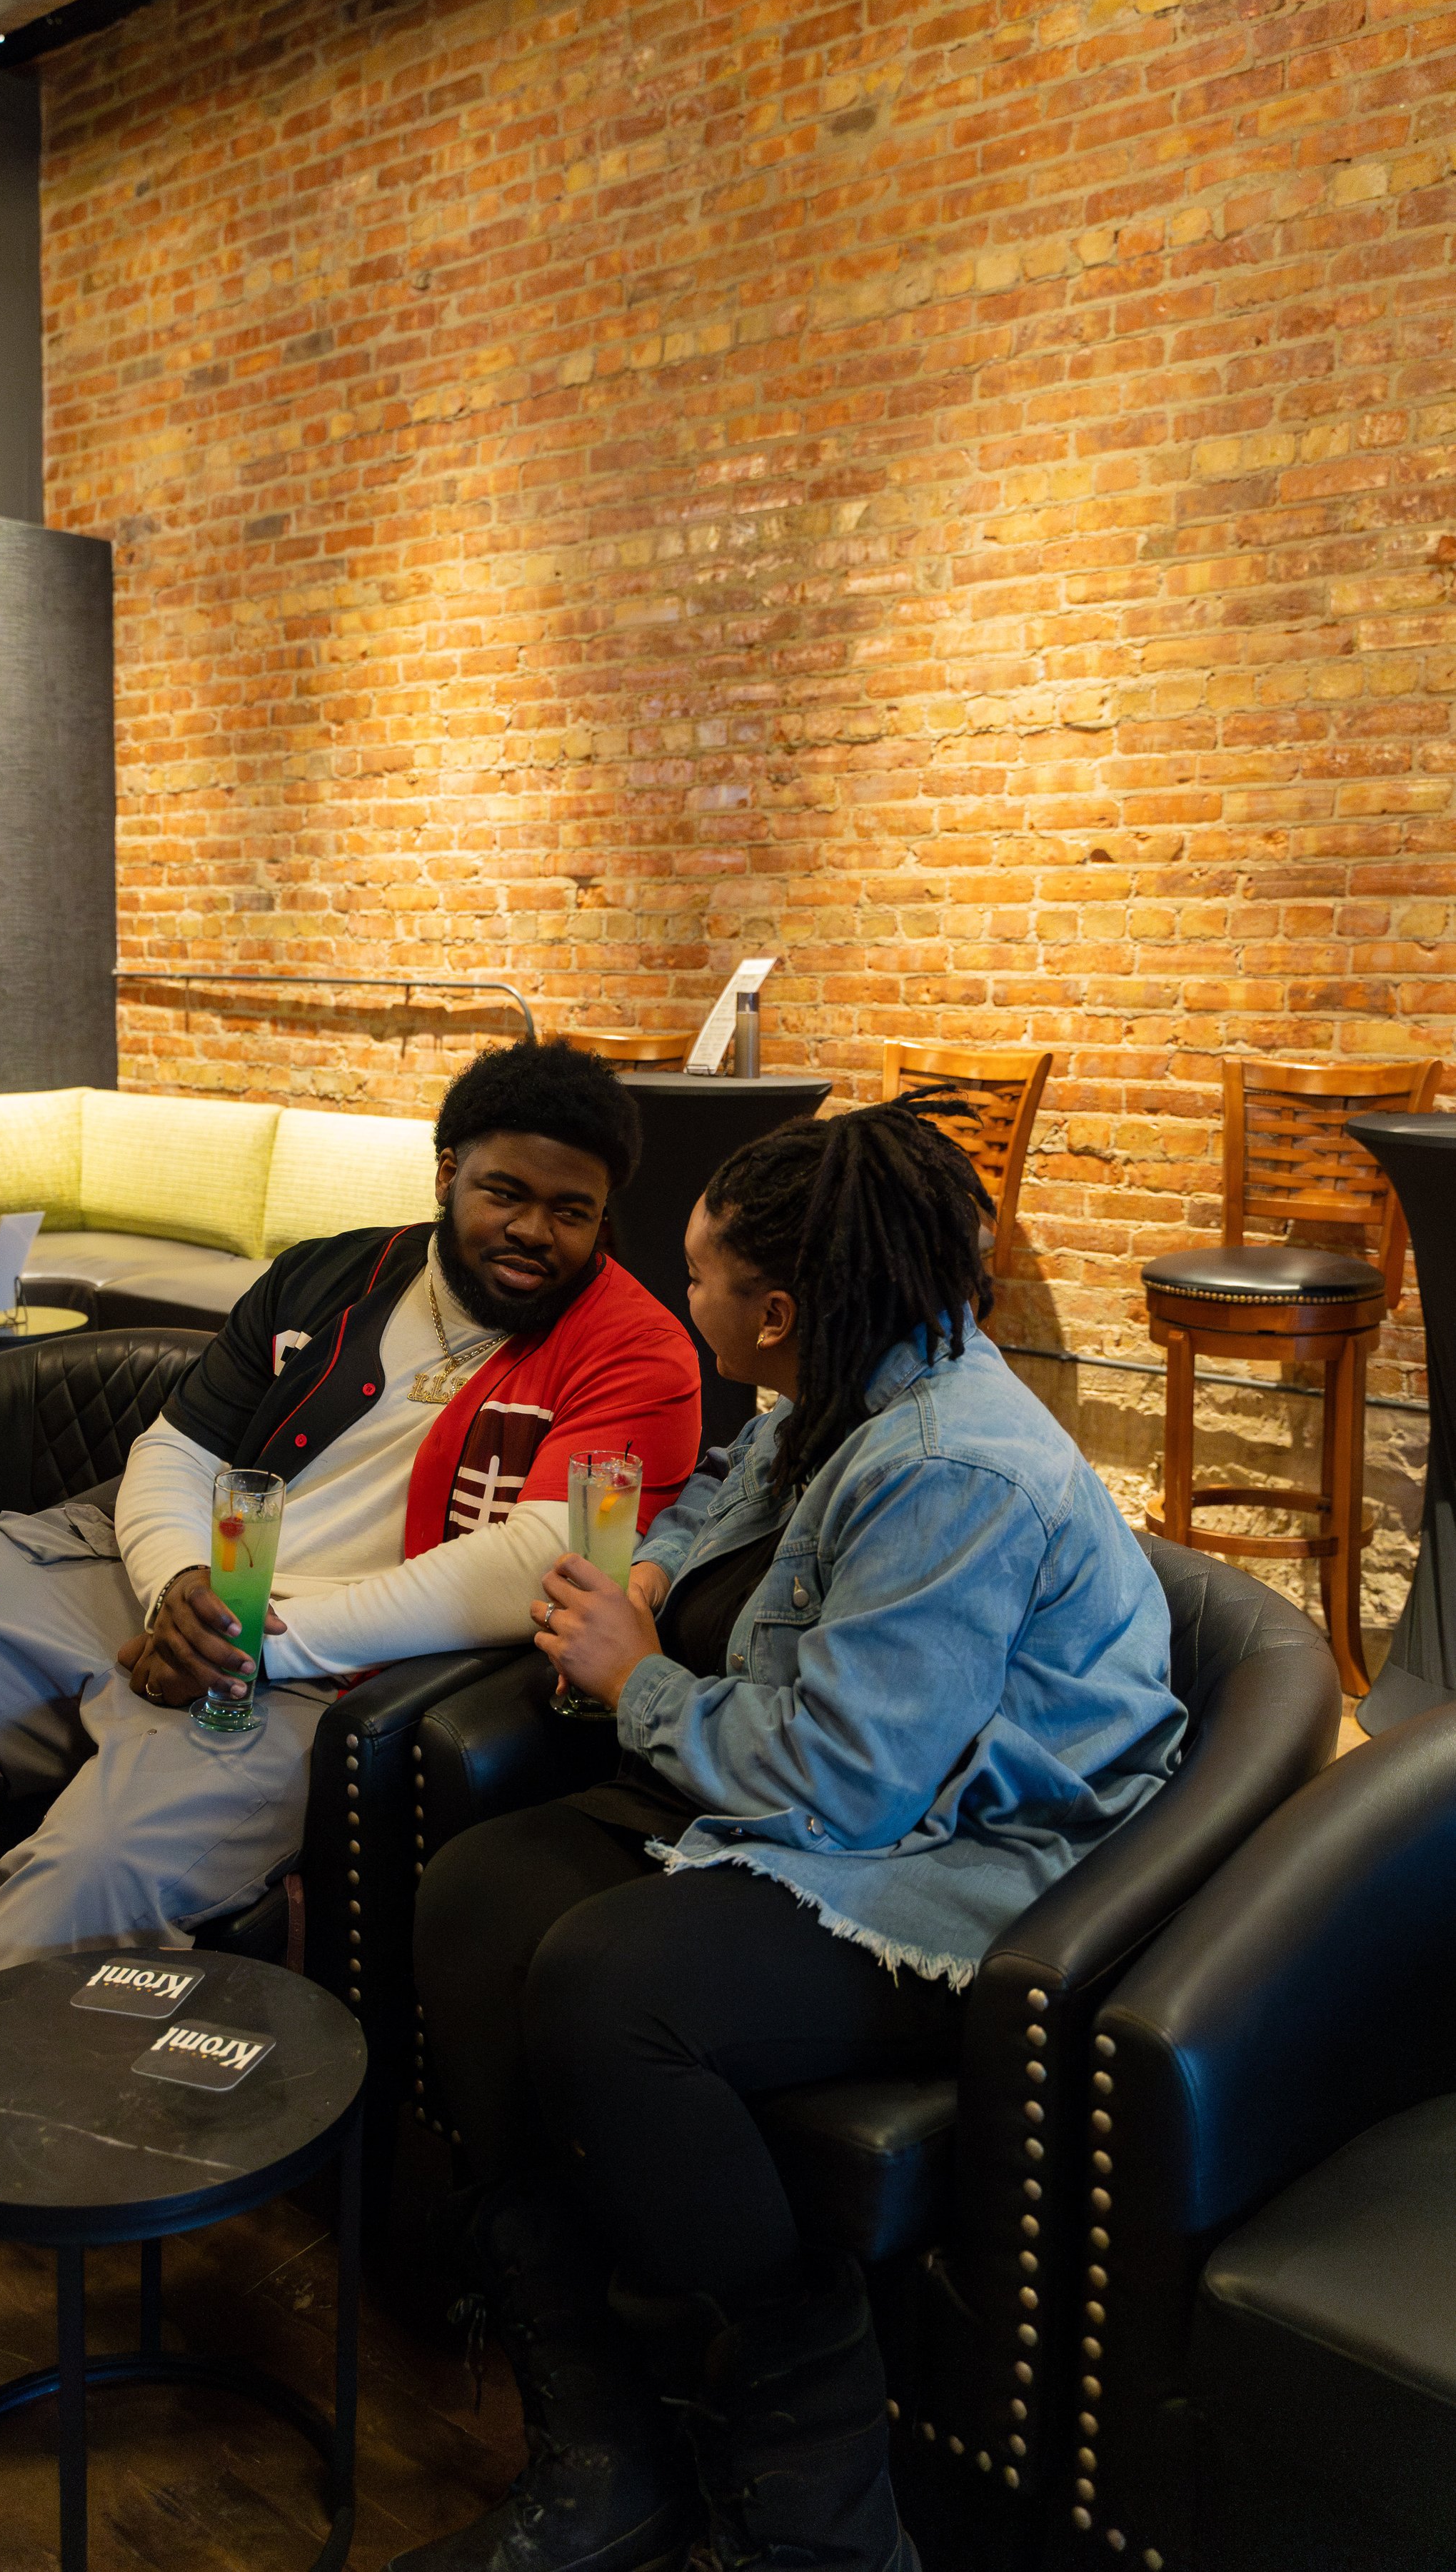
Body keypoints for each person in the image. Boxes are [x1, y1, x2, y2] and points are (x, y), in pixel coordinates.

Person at [0, 1040, 701, 2422]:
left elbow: (536, 1566)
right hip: (147, 1573)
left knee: (87, 1875)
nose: (535, 1232)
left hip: (314, 1673)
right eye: (506, 1193)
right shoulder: (336, 1272)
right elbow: (173, 1447)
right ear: (448, 1171)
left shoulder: (638, 1347)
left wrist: (257, 1634)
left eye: (572, 1211)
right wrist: (171, 1587)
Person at [404, 1095, 1186, 2572]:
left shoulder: (948, 1469)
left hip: (966, 1859)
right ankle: (609, 2446)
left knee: (609, 1986)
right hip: (823, 1798)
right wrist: (652, 1581)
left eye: (697, 1274)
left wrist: (637, 1682)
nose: (678, 1291)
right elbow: (721, 1506)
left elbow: (849, 1779)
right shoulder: (828, 1390)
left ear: (773, 1311)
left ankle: (822, 2520)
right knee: (475, 1896)